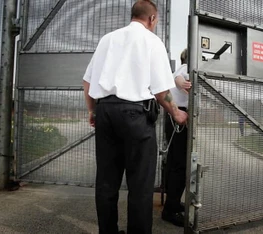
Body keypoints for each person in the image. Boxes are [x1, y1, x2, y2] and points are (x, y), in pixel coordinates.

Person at [82, 1, 188, 234]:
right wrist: (177, 112)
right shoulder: (152, 41)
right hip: (135, 115)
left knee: (107, 181)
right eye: (156, 20)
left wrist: (92, 111)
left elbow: (87, 82)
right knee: (140, 183)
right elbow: (161, 91)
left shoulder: (107, 39)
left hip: (105, 112)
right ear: (151, 19)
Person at [162, 49, 191, 227]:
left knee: (175, 164)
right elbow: (178, 80)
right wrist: (185, 85)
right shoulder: (186, 67)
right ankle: (170, 211)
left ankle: (171, 203)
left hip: (175, 116)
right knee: (179, 166)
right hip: (178, 116)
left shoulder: (182, 67)